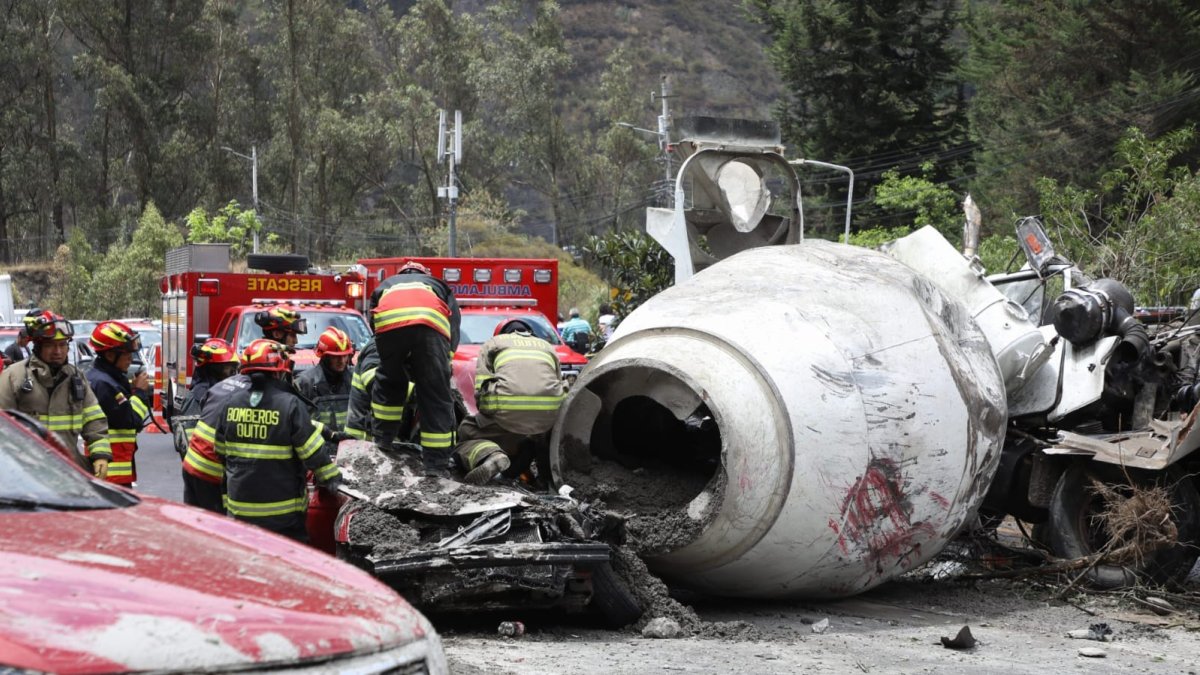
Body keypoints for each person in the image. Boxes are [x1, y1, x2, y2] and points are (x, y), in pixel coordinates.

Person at [212, 339, 342, 541]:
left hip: (240, 512)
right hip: (284, 517)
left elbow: (220, 452)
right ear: (278, 371)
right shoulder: (290, 404)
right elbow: (313, 453)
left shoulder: (230, 404)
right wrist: (333, 478)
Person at [369, 261, 461, 477]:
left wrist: (392, 357)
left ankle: (383, 441)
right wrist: (444, 361)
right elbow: (453, 323)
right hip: (429, 324)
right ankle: (435, 465)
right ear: (424, 274)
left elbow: (373, 319)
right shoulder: (437, 284)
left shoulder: (386, 284)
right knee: (434, 394)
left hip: (388, 325)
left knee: (389, 380)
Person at [454, 318, 565, 486]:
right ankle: (546, 478)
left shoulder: (494, 343)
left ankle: (490, 455)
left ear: (501, 333)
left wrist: (489, 416)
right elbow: (557, 383)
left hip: (507, 411)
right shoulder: (547, 347)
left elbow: (482, 391)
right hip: (548, 417)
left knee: (466, 431)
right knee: (532, 439)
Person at [0, 310, 110, 477]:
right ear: (37, 346)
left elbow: (94, 420)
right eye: (51, 345)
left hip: (69, 474)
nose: (58, 351)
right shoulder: (14, 376)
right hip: (27, 474)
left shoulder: (77, 378)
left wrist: (100, 456)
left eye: (62, 344)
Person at [86, 321, 148, 486]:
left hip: (114, 469)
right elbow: (131, 421)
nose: (131, 358)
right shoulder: (104, 385)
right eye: (126, 353)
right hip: (112, 472)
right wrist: (140, 393)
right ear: (110, 355)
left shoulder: (105, 378)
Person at [170, 337, 238, 458]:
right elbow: (191, 446)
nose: (233, 373)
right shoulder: (197, 398)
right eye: (228, 368)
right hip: (207, 468)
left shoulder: (224, 393)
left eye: (234, 368)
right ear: (214, 370)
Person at [295, 326, 354, 431]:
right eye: (336, 356)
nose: (342, 361)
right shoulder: (306, 383)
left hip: (350, 444)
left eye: (345, 356)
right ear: (325, 357)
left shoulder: (354, 379)